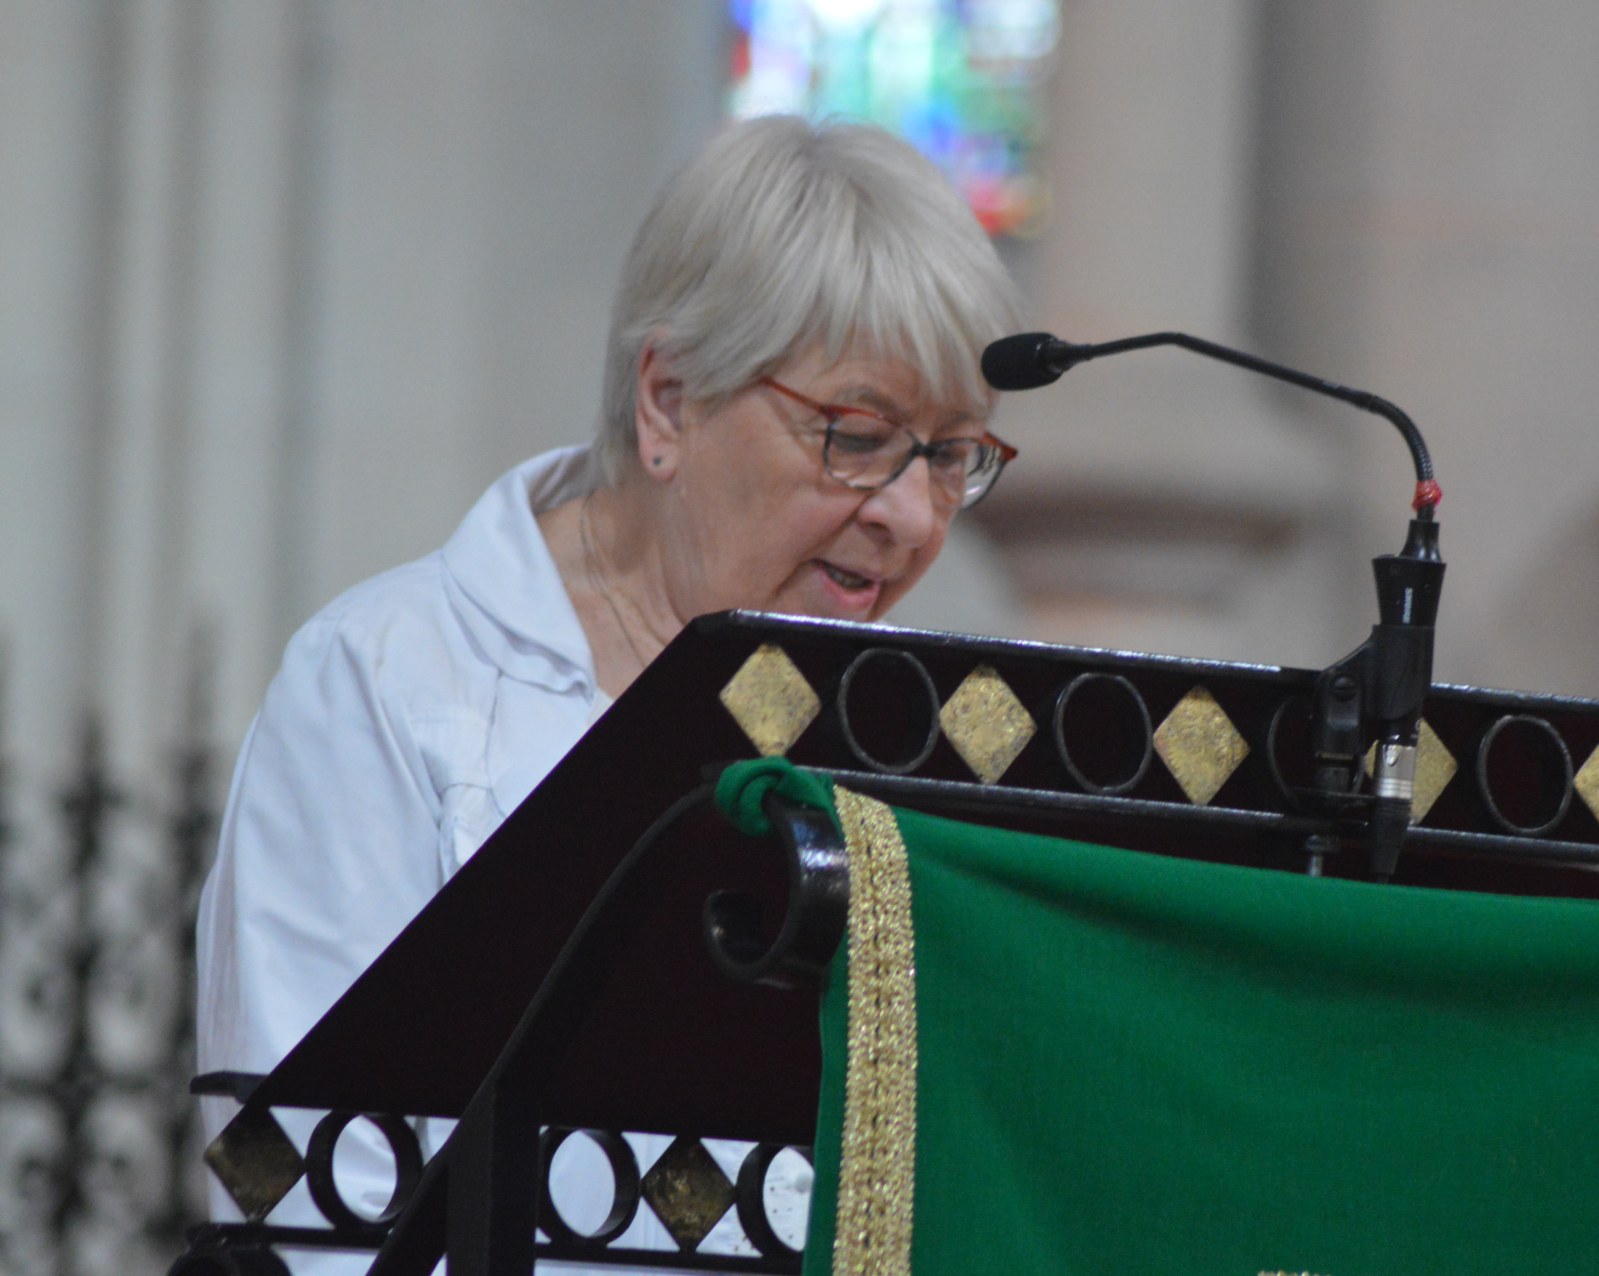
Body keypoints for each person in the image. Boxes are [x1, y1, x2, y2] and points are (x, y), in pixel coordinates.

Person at [194, 114, 1024, 1271]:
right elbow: (321, 1210)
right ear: (668, 401)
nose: (911, 514)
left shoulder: (916, 733)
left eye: (950, 455)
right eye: (856, 436)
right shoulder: (383, 686)